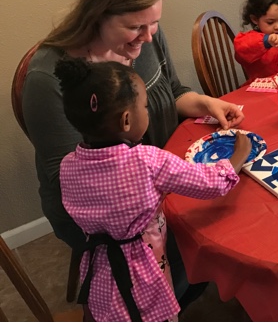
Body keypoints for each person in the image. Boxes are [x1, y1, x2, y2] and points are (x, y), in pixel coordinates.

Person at [21, 0, 244, 304]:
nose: (148, 36)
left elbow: (173, 91)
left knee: (231, 214)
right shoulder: (46, 78)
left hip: (158, 177)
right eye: (136, 26)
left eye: (154, 23)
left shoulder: (146, 37)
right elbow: (69, 181)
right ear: (97, 15)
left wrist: (205, 104)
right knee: (207, 232)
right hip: (104, 215)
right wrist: (160, 185)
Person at [54, 57, 251, 321]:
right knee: (152, 314)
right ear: (126, 120)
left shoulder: (68, 165)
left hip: (100, 266)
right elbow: (211, 183)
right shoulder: (147, 161)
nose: (148, 112)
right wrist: (240, 153)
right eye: (145, 106)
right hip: (144, 269)